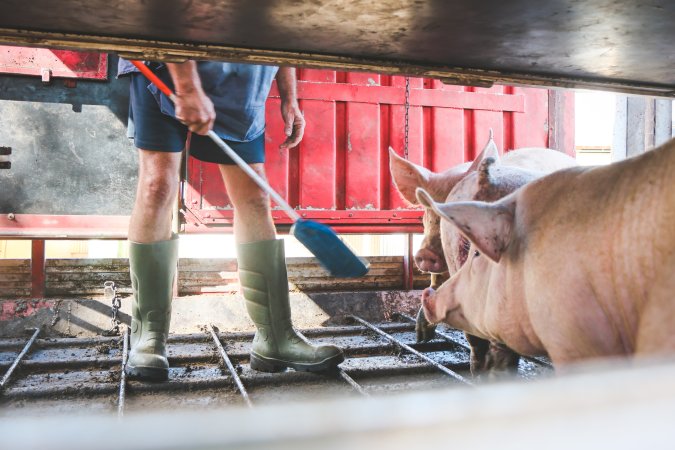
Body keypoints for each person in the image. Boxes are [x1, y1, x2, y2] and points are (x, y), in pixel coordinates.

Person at [118, 58, 344, 381]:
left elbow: (282, 25)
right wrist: (188, 86)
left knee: (254, 195)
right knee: (158, 185)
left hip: (240, 77)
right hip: (167, 60)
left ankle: (275, 337)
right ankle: (148, 336)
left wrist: (289, 97)